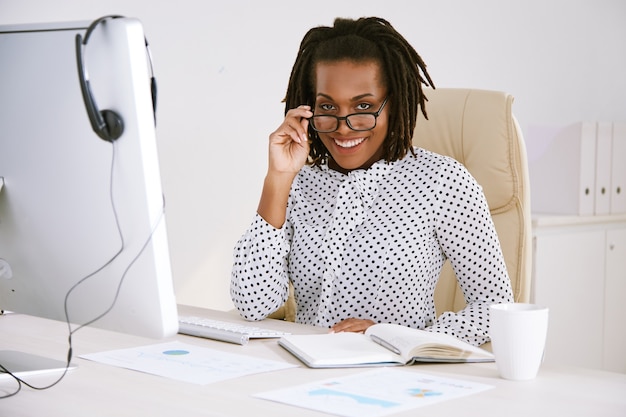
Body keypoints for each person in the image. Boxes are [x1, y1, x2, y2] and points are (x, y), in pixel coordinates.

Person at [230, 16, 513, 346]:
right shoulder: (298, 184)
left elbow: (497, 310)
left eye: (363, 106)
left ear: (392, 104)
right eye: (327, 107)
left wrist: (394, 337)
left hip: (400, 379)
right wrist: (277, 178)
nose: (344, 127)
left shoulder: (443, 182)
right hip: (306, 373)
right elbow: (253, 304)